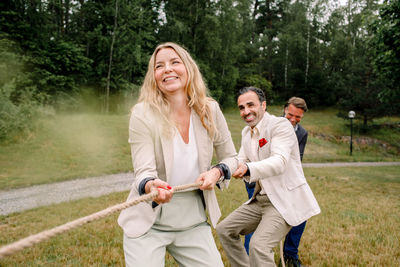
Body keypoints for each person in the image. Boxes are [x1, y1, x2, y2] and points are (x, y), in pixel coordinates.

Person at [117, 42, 237, 267]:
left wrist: (217, 172)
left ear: (188, 68)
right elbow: (143, 171)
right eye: (159, 66)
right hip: (148, 222)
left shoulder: (210, 110)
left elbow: (232, 157)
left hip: (193, 222)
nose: (167, 69)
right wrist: (151, 186)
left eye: (174, 62)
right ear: (154, 76)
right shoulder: (142, 114)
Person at [216, 87, 320, 267]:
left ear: (263, 105)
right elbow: (239, 160)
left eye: (250, 105)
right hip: (260, 200)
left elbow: (279, 162)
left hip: (283, 201)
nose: (246, 111)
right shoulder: (245, 132)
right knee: (224, 230)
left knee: (259, 246)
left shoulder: (280, 125)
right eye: (241, 107)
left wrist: (248, 168)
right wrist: (219, 172)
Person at [282, 97, 308, 267]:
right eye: (290, 114)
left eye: (297, 117)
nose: (293, 119)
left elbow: (297, 161)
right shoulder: (271, 124)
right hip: (262, 180)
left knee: (303, 210)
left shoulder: (302, 133)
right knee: (259, 218)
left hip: (287, 179)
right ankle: (249, 259)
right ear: (284, 109)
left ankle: (290, 255)